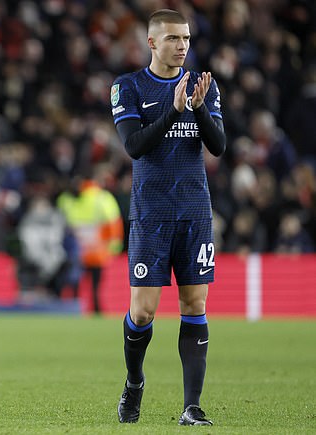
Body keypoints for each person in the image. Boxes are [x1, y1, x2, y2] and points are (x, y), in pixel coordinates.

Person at [110, 9, 226, 426]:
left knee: (194, 303)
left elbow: (218, 147)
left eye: (187, 38)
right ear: (153, 43)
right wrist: (174, 112)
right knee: (142, 313)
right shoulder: (128, 87)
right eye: (174, 39)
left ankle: (191, 406)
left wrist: (198, 110)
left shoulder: (203, 87)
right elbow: (135, 146)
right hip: (151, 214)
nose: (183, 46)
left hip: (194, 212)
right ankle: (135, 382)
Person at [56, 174, 123, 314]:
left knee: (75, 280)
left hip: (77, 249)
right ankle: (94, 308)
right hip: (95, 249)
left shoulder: (65, 199)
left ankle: (74, 308)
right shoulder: (102, 197)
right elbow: (113, 223)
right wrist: (113, 247)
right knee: (94, 283)